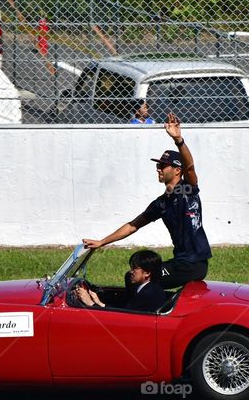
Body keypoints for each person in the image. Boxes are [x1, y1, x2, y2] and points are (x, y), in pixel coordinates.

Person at [83, 111, 211, 289]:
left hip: (193, 264)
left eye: (162, 165)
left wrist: (178, 139)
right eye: (157, 165)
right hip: (181, 261)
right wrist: (102, 242)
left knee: (138, 278)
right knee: (133, 275)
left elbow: (189, 166)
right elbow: (133, 225)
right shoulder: (162, 203)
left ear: (176, 170)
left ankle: (141, 313)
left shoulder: (187, 189)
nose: (158, 169)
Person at [74, 250, 168, 312]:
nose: (131, 272)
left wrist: (90, 303)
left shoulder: (149, 294)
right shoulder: (147, 288)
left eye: (134, 268)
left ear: (147, 273)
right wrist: (99, 303)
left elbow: (125, 315)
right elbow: (125, 309)